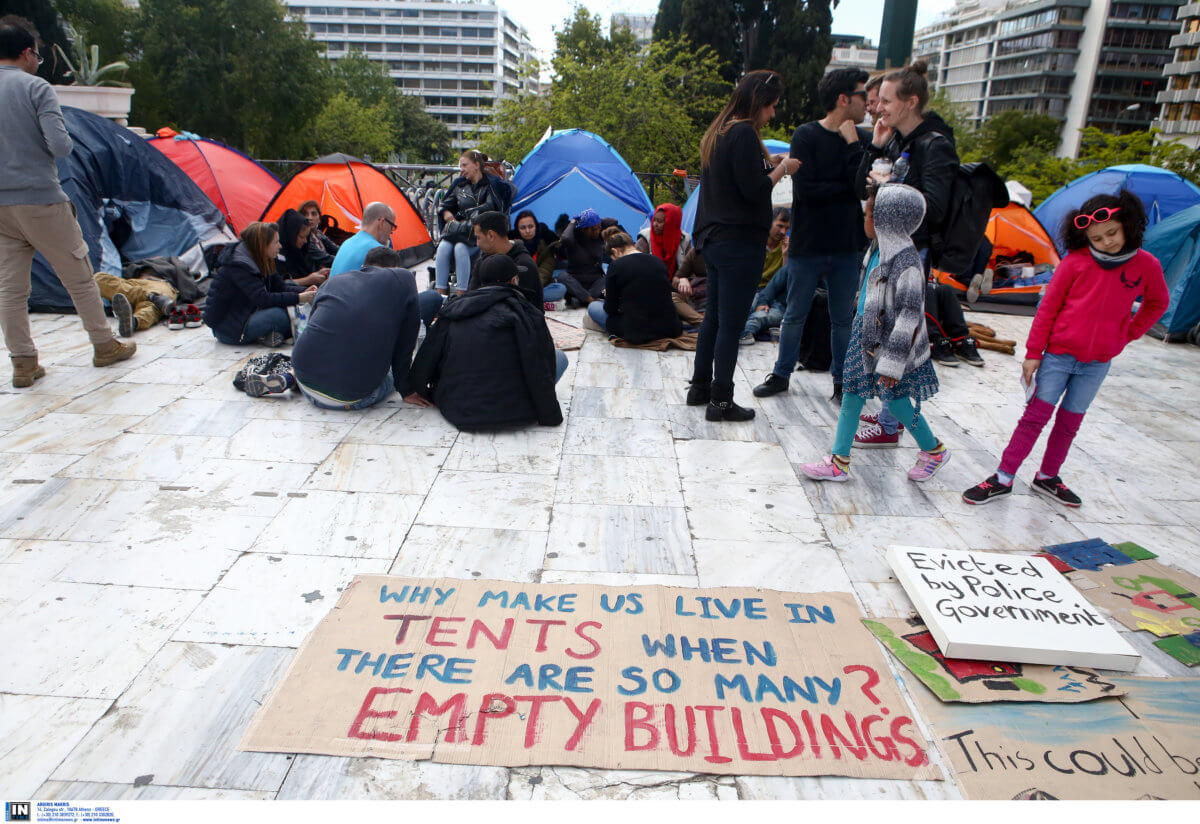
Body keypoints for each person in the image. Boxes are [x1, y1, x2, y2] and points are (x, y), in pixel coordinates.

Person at [962, 191, 1167, 508]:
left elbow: (1158, 303)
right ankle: (1003, 477)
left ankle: (1047, 476)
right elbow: (1047, 310)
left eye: (1112, 232)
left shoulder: (1146, 265)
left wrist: (1126, 334)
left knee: (1070, 423)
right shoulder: (1074, 263)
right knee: (1034, 418)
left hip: (1097, 363)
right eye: (1097, 238)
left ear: (1127, 224)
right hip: (1057, 357)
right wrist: (1033, 353)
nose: (1107, 241)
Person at [0, 15, 135, 387]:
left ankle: (23, 363)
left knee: (11, 290)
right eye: (37, 56)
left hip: (1, 208)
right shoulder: (37, 88)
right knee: (78, 276)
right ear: (27, 53)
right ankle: (104, 345)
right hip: (41, 200)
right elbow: (61, 146)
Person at [799, 184, 950, 483]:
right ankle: (839, 461)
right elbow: (874, 287)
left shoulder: (907, 263)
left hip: (893, 348)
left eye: (869, 214)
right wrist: (861, 299)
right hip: (866, 336)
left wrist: (892, 364)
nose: (864, 219)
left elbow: (908, 317)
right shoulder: (879, 249)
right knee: (853, 393)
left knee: (895, 401)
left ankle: (933, 450)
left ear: (886, 220)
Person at [854, 61, 982, 369]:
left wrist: (888, 190)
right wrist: (875, 148)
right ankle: (888, 411)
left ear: (911, 102)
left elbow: (935, 209)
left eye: (886, 101)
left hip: (911, 253)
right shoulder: (896, 140)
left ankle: (896, 412)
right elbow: (860, 188)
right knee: (870, 326)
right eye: (877, 101)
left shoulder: (935, 145)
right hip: (881, 246)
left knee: (896, 334)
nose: (877, 109)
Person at [688, 70, 800, 422]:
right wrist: (784, 170)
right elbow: (753, 189)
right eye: (772, 107)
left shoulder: (720, 131)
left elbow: (739, 178)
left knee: (714, 320)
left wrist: (771, 165)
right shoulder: (743, 135)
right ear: (759, 103)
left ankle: (700, 387)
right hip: (738, 243)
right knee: (732, 325)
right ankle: (720, 402)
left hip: (715, 239)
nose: (773, 115)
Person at [753, 69, 869, 406]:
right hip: (808, 242)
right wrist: (845, 184)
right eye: (862, 95)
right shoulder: (805, 135)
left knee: (843, 319)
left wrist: (851, 148)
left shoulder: (859, 140)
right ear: (843, 99)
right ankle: (781, 374)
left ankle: (842, 382)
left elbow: (862, 186)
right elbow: (809, 191)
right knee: (794, 314)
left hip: (846, 244)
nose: (868, 104)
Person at [248, 246, 431, 410]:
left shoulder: (334, 282)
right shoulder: (403, 278)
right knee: (389, 373)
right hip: (350, 397)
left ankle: (289, 377)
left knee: (329, 347)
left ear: (365, 266)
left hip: (305, 377)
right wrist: (406, 390)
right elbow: (406, 343)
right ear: (394, 268)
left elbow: (314, 328)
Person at [408, 255, 565, 430]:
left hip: (459, 410)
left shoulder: (454, 309)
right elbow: (540, 367)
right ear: (513, 280)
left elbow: (428, 355)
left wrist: (418, 389)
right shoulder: (527, 312)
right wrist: (549, 414)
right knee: (560, 358)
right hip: (516, 413)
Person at [204, 221, 316, 346]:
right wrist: (299, 298)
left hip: (248, 316)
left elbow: (280, 287)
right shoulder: (238, 266)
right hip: (229, 330)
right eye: (276, 242)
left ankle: (267, 335)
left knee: (289, 309)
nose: (280, 246)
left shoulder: (261, 260)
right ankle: (267, 334)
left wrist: (304, 291)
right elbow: (262, 299)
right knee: (283, 316)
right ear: (263, 245)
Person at [585, 228, 683, 344]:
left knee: (594, 307)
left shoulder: (616, 266)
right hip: (670, 327)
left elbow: (610, 308)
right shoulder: (658, 262)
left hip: (637, 331)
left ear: (615, 252)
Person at [435, 149, 505, 294]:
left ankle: (462, 293)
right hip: (460, 230)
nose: (462, 170)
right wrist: (447, 214)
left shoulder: (491, 185)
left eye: (464, 165)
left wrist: (466, 216)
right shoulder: (459, 185)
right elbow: (445, 205)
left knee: (460, 248)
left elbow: (490, 209)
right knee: (443, 247)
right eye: (461, 166)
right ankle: (439, 294)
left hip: (478, 234)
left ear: (477, 165)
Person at [465, 211, 543, 311]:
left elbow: (527, 311)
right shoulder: (482, 261)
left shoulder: (524, 265)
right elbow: (470, 298)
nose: (477, 243)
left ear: (490, 235)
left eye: (478, 237)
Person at [95, 271, 178, 337]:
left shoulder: (170, 265)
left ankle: (133, 321)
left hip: (159, 284)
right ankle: (151, 297)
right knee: (97, 278)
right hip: (133, 283)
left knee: (151, 307)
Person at [512, 209, 567, 303]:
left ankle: (524, 300)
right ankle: (526, 300)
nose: (527, 231)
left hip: (538, 287)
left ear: (536, 227)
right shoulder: (512, 246)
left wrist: (532, 289)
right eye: (523, 228)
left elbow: (545, 272)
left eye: (530, 226)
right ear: (517, 229)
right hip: (518, 288)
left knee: (560, 289)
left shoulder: (545, 244)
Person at [329, 202, 396, 276]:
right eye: (392, 226)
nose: (391, 232)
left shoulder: (347, 242)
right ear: (382, 222)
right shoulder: (377, 251)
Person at [556, 209, 607, 306]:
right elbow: (565, 238)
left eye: (598, 228)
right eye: (593, 229)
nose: (597, 231)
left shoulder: (599, 237)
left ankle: (581, 300)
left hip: (594, 282)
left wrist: (594, 218)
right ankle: (590, 300)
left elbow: (613, 221)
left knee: (610, 275)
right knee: (562, 276)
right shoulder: (573, 239)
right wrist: (573, 222)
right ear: (584, 229)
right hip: (576, 281)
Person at [275, 209, 331, 286]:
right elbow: (278, 285)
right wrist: (308, 280)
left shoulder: (300, 250)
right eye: (302, 237)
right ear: (291, 235)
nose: (305, 241)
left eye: (306, 237)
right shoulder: (275, 254)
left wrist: (318, 274)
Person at [636, 203, 692, 279]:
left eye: (659, 221)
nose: (655, 224)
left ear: (671, 223)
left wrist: (684, 281)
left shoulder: (684, 239)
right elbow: (637, 268)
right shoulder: (644, 239)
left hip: (677, 286)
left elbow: (692, 269)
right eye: (654, 220)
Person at [298, 199, 339, 269]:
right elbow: (325, 259)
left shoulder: (318, 233)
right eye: (305, 214)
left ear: (319, 218)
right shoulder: (302, 238)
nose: (309, 218)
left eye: (313, 214)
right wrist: (346, 259)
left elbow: (335, 248)